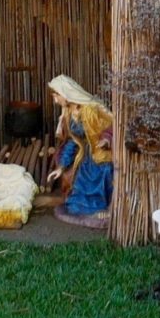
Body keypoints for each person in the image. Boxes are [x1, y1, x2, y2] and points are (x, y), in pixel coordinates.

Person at [46, 75, 114, 228]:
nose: (55, 101)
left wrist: (106, 139)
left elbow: (113, 125)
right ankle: (89, 210)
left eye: (56, 96)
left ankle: (103, 210)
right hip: (88, 158)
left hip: (103, 158)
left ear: (65, 93)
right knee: (75, 202)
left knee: (101, 184)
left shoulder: (90, 109)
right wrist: (61, 167)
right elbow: (72, 141)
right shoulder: (69, 113)